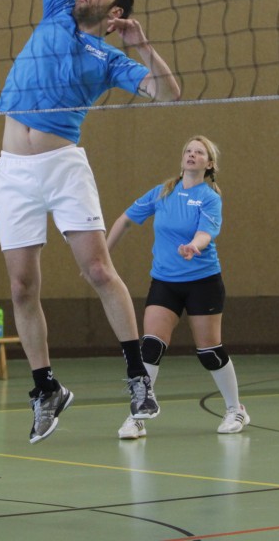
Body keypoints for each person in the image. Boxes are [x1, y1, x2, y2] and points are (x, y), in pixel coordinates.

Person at [0, 0, 182, 443]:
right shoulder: (56, 9)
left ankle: (137, 376)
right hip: (11, 169)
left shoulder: (110, 58)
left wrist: (143, 47)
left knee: (98, 269)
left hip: (62, 165)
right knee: (22, 285)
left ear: (115, 11)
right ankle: (46, 387)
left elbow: (168, 95)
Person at [106, 135, 249, 440]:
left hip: (203, 282)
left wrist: (194, 246)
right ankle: (138, 415)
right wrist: (102, 256)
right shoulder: (162, 193)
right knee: (151, 346)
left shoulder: (210, 198)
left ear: (209, 164)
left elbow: (205, 233)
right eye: (189, 150)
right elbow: (125, 220)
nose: (192, 155)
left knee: (209, 352)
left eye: (200, 152)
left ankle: (235, 409)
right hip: (165, 282)